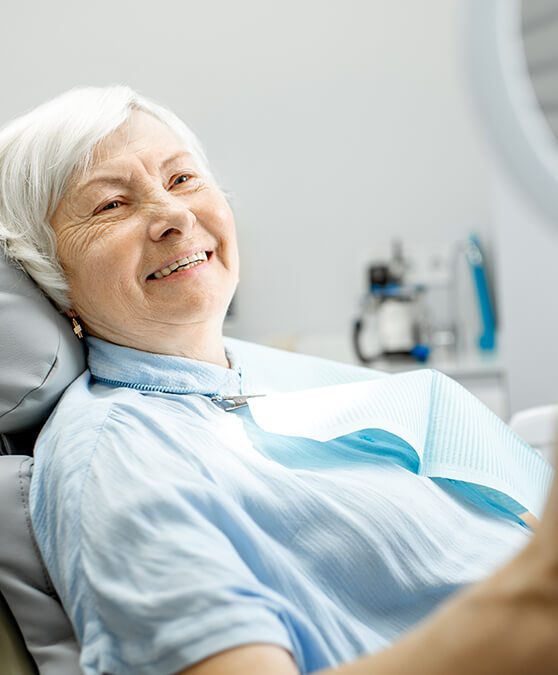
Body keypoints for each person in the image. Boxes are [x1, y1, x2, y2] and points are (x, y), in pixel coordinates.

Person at [0, 85, 557, 675]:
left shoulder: (250, 380)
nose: (174, 215)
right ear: (48, 275)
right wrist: (531, 602)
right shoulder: (117, 457)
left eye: (183, 179)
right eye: (111, 205)